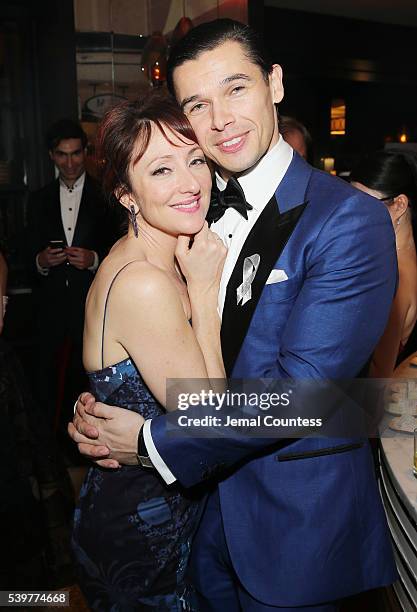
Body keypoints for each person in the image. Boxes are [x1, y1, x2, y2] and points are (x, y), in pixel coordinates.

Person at [70, 19, 398, 611]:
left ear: (274, 84)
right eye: (198, 103)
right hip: (197, 523)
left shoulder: (346, 220)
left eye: (236, 88)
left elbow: (308, 395)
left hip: (293, 532)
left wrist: (149, 441)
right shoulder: (188, 206)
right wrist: (110, 393)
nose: (219, 118)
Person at [71, 91, 226, 610]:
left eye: (196, 159)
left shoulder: (160, 258)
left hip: (158, 506)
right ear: (125, 193)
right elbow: (210, 421)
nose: (190, 183)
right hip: (142, 526)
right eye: (161, 170)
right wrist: (204, 294)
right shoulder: (144, 281)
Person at [27, 119, 115, 445]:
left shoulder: (105, 197)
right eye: (62, 155)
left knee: (89, 383)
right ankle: (51, 450)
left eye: (76, 154)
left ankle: (87, 446)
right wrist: (40, 261)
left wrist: (93, 260)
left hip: (90, 307)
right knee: (45, 383)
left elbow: (121, 251)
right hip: (49, 309)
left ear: (86, 153)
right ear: (52, 155)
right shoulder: (37, 200)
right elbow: (23, 255)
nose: (70, 162)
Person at [351, 151, 417, 377]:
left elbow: (379, 373)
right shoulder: (401, 259)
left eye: (362, 204)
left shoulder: (393, 275)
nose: (351, 215)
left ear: (399, 205)